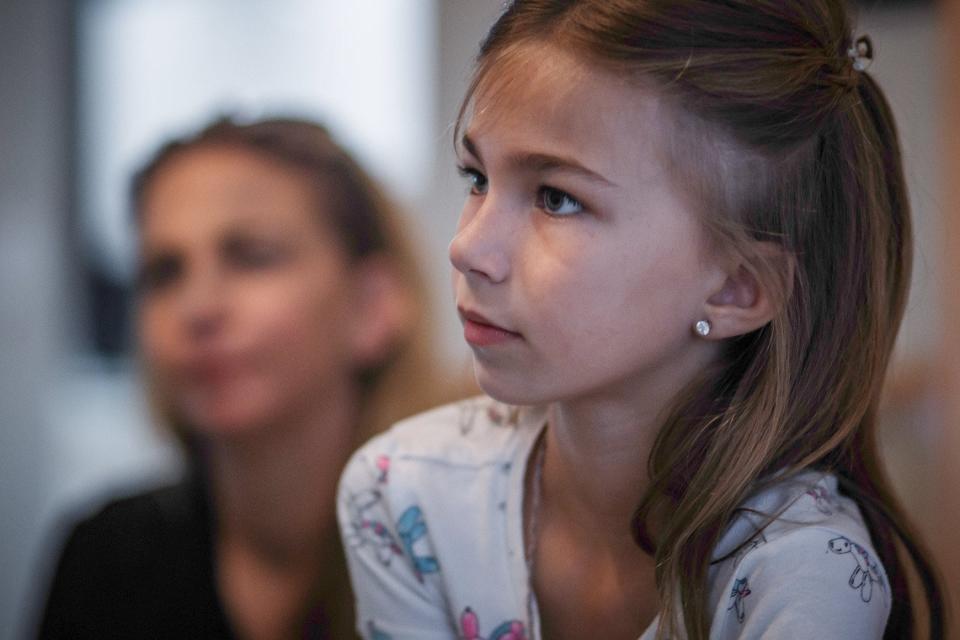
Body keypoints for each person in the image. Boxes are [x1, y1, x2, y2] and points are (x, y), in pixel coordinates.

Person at [336, 2, 945, 639]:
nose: (467, 248)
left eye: (557, 198)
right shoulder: (402, 495)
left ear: (737, 288)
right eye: (477, 177)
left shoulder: (804, 580)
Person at [37, 116, 457, 639]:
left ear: (372, 306)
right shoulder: (108, 555)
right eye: (164, 271)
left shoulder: (464, 556)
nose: (198, 307)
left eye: (252, 257)